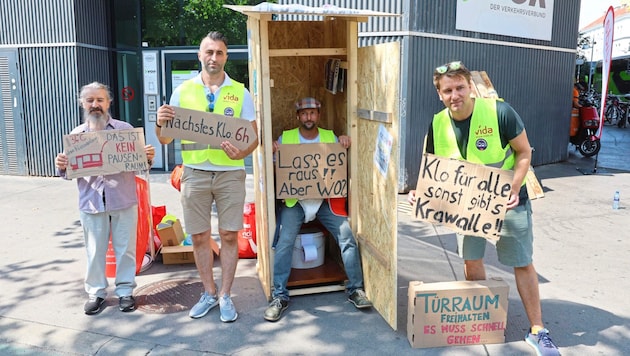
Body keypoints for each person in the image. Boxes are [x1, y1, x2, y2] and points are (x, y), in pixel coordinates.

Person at [408, 62, 560, 355]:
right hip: (468, 207)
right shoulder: (437, 123)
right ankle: (483, 323)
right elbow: (434, 169)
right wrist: (421, 192)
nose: (455, 95)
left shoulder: (499, 111)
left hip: (509, 201)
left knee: (521, 261)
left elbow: (524, 152)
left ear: (470, 86)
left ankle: (538, 330)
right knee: (472, 260)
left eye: (460, 87)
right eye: (448, 90)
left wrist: (513, 188)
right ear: (439, 94)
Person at [155, 31, 258, 323]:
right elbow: (164, 140)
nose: (214, 58)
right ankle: (209, 293)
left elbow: (254, 137)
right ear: (200, 55)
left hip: (230, 174)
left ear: (227, 57)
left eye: (220, 53)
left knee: (228, 235)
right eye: (209, 52)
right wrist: (159, 122)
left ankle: (225, 295)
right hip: (195, 173)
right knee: (199, 236)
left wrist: (242, 154)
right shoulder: (183, 91)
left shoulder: (240, 91)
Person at [263, 97, 372, 322]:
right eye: (304, 113)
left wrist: (343, 142)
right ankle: (279, 295)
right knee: (285, 242)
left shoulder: (329, 137)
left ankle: (355, 289)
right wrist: (273, 152)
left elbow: (340, 162)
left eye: (312, 113)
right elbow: (276, 170)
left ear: (318, 115)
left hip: (323, 200)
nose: (308, 117)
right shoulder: (286, 138)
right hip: (296, 201)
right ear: (298, 117)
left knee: (346, 236)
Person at [55, 82, 155, 315]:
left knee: (126, 249)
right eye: (90, 100)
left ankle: (125, 292)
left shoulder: (125, 131)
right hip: (91, 202)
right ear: (83, 104)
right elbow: (69, 174)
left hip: (123, 199)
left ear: (108, 102)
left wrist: (148, 158)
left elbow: (141, 166)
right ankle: (97, 292)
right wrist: (62, 166)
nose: (95, 104)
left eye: (100, 100)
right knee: (94, 250)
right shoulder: (76, 136)